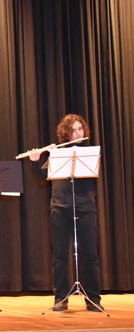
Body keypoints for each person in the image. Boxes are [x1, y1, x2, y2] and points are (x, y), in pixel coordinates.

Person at [28, 114, 103, 311]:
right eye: (73, 131)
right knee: (59, 255)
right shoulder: (58, 153)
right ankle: (60, 298)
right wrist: (36, 161)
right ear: (66, 134)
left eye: (80, 129)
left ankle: (93, 298)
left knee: (90, 255)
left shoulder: (90, 152)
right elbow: (44, 175)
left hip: (85, 207)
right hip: (60, 208)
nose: (77, 133)